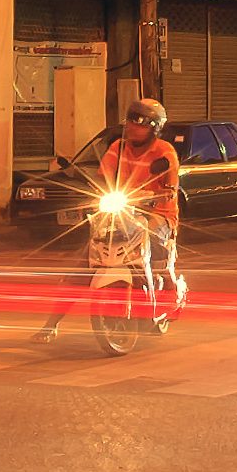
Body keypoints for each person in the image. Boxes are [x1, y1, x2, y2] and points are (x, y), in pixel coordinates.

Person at [35, 100, 184, 343]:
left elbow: (170, 186)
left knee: (153, 251)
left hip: (158, 214)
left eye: (140, 125)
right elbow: (103, 178)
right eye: (131, 123)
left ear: (154, 128)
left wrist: (161, 194)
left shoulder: (164, 152)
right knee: (84, 262)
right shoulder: (117, 147)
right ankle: (51, 324)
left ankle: (162, 296)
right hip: (121, 211)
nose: (133, 129)